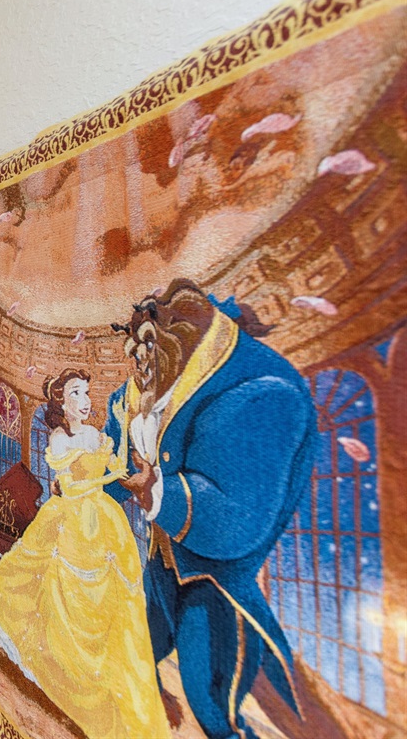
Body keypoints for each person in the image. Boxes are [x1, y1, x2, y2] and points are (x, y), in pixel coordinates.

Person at [103, 280, 314, 739]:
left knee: (208, 700)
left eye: (147, 345)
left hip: (215, 586)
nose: (139, 358)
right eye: (135, 349)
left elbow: (235, 516)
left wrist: (158, 494)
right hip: (164, 565)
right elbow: (122, 465)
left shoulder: (261, 391)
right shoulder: (145, 395)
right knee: (133, 648)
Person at [0, 369, 170, 739]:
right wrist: (104, 477)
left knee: (110, 600)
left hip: (103, 521)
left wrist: (121, 437)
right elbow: (70, 485)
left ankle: (106, 672)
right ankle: (66, 671)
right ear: (61, 403)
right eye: (75, 393)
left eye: (86, 392)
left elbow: (116, 468)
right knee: (60, 591)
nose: (85, 401)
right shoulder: (59, 439)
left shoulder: (95, 435)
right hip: (71, 520)